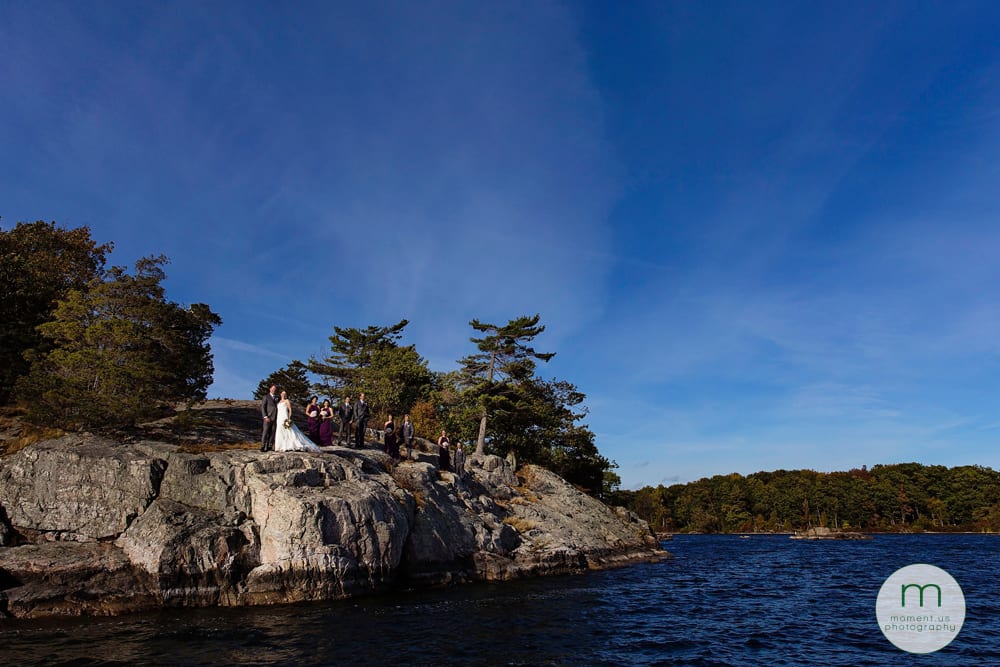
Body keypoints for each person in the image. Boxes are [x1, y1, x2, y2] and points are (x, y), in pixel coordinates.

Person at [260, 385, 279, 452]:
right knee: (265, 432)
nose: (274, 390)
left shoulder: (277, 398)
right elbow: (263, 407)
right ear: (270, 389)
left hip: (275, 418)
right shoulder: (266, 397)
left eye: (275, 389)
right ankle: (262, 446)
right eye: (273, 389)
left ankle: (269, 446)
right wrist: (265, 416)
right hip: (268, 417)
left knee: (272, 433)